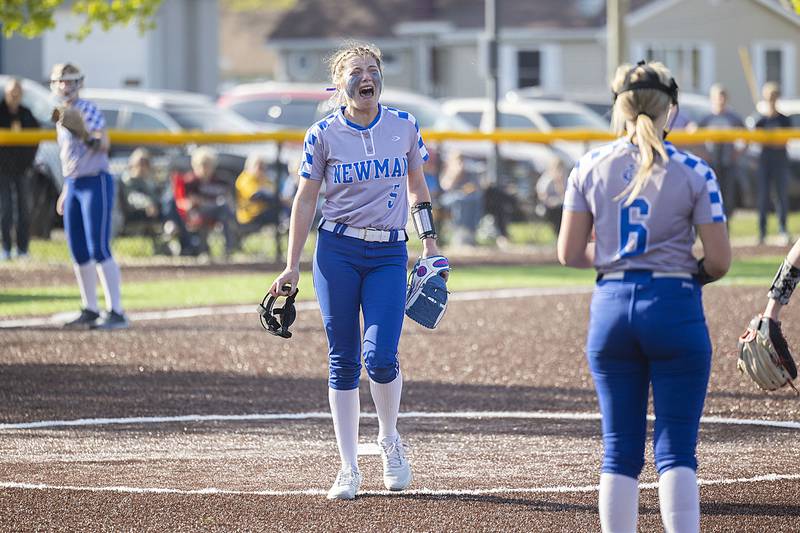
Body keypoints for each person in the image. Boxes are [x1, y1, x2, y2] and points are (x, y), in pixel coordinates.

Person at [557, 61, 731, 533]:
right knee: (676, 451)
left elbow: (569, 252)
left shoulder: (589, 165)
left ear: (619, 108)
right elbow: (717, 261)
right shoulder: (695, 170)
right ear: (670, 110)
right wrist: (676, 268)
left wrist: (619, 257)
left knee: (619, 450)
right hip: (674, 303)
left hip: (612, 306)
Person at [268, 42, 446, 501]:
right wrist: (291, 265)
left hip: (389, 252)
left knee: (380, 356)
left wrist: (429, 244)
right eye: (355, 71)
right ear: (340, 83)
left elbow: (417, 187)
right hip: (337, 251)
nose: (365, 77)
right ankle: (348, 466)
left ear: (380, 77)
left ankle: (389, 438)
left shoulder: (404, 125)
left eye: (372, 69)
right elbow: (306, 198)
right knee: (342, 358)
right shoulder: (323, 133)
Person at [51, 63, 129, 330]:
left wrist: (83, 133)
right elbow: (68, 159)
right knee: (78, 250)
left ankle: (116, 311)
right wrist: (65, 189)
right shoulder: (62, 114)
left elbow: (103, 144)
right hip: (74, 183)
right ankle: (90, 308)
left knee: (99, 247)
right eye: (61, 82)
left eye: (70, 81)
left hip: (95, 181)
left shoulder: (87, 109)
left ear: (79, 83)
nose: (65, 86)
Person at [0, 78, 39, 260]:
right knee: (5, 209)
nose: (14, 96)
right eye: (11, 92)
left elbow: (35, 139)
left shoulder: (26, 114)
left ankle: (23, 250)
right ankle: (6, 249)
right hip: (2, 171)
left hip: (22, 170)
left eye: (17, 92)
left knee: (24, 209)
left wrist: (28, 162)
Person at [174, 147, 238, 256]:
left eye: (208, 165)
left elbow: (226, 198)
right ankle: (205, 250)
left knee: (225, 210)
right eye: (202, 165)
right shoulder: (190, 181)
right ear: (195, 166)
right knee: (220, 209)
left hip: (217, 212)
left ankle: (229, 249)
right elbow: (183, 202)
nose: (204, 168)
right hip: (196, 212)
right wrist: (193, 202)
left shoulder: (220, 181)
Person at [697, 84, 746, 217]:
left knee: (727, 197)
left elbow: (746, 136)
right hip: (711, 163)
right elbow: (695, 139)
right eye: (717, 97)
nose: (720, 100)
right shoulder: (706, 119)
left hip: (728, 162)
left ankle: (726, 228)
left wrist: (738, 152)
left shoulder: (733, 118)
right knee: (711, 195)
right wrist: (703, 153)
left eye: (722, 97)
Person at [753, 82, 792, 245]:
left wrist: (771, 140)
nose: (772, 100)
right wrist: (769, 140)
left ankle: (783, 229)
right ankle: (762, 232)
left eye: (774, 97)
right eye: (769, 97)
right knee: (762, 197)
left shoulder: (784, 120)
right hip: (765, 162)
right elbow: (756, 141)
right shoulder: (760, 121)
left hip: (780, 161)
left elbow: (785, 141)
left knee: (781, 196)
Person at [235, 153, 280, 231]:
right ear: (250, 166)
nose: (261, 170)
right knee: (277, 210)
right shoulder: (245, 178)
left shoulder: (263, 179)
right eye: (259, 166)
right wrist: (274, 197)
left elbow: (274, 191)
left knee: (280, 208)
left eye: (263, 167)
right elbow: (255, 195)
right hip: (248, 215)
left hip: (261, 212)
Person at [120, 148, 162, 228]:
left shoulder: (148, 180)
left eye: (146, 163)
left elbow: (157, 196)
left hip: (153, 212)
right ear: (133, 164)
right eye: (140, 163)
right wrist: (147, 203)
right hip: (134, 213)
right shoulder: (128, 178)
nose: (143, 166)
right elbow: (132, 197)